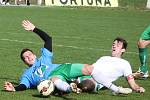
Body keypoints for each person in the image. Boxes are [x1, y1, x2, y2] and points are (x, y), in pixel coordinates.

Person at [45, 37, 145, 95]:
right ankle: (66, 85)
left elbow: (132, 83)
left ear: (123, 50)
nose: (114, 46)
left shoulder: (125, 64)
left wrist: (137, 88)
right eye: (113, 44)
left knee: (88, 84)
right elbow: (90, 69)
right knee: (60, 75)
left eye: (118, 45)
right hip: (87, 73)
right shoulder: (104, 57)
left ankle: (70, 85)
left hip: (95, 82)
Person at [3, 20, 61, 92]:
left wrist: (34, 29)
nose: (29, 57)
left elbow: (48, 39)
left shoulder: (44, 58)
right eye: (26, 57)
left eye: (30, 54)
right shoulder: (27, 74)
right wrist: (14, 88)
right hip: (54, 81)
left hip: (63, 71)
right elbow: (23, 85)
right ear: (25, 62)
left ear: (35, 55)